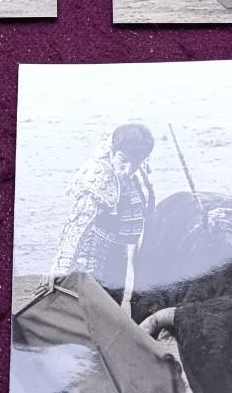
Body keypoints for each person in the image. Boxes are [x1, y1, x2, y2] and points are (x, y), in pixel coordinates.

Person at [46, 124, 156, 307]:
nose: (128, 169)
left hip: (118, 256)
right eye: (124, 160)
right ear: (113, 151)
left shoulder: (138, 167)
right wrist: (59, 269)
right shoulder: (98, 176)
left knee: (111, 309)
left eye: (136, 163)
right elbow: (76, 226)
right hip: (91, 260)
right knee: (89, 312)